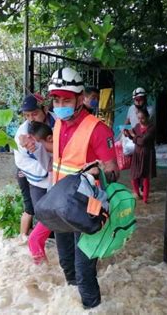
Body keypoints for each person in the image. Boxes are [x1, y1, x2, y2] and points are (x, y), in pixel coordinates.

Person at [48, 67, 119, 309]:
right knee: (66, 261)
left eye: (65, 99)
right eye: (56, 99)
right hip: (60, 206)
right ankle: (71, 303)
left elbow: (113, 170)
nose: (59, 104)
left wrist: (95, 171)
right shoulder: (58, 123)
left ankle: (92, 307)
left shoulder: (97, 129)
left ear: (80, 98)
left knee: (84, 268)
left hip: (86, 208)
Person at [14, 94, 55, 239]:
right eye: (27, 115)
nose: (31, 118)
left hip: (57, 176)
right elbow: (21, 161)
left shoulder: (59, 123)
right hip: (35, 178)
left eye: (35, 114)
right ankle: (32, 240)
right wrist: (46, 169)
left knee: (58, 213)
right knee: (40, 212)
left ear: (44, 109)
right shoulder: (22, 133)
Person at [124, 107, 156, 204]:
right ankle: (137, 194)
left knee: (145, 176)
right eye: (139, 118)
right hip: (137, 153)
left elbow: (142, 141)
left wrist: (133, 136)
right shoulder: (137, 126)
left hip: (147, 154)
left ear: (147, 117)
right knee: (134, 174)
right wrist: (127, 133)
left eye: (142, 118)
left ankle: (145, 198)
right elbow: (133, 135)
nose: (140, 120)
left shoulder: (152, 128)